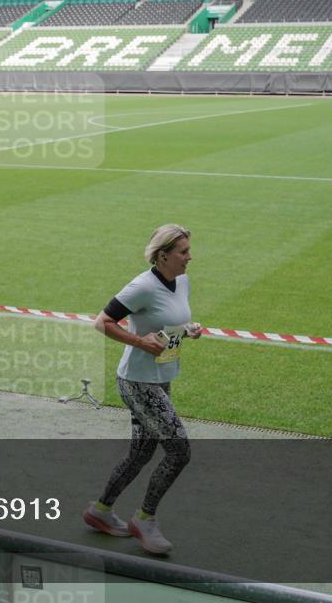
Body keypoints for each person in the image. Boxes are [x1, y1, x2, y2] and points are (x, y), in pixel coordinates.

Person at [83, 224, 202, 555]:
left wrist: (187, 330)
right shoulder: (142, 286)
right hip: (138, 382)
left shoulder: (182, 281)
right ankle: (144, 519)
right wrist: (138, 340)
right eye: (183, 252)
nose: (190, 256)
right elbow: (102, 322)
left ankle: (101, 511)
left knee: (142, 452)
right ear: (163, 255)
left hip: (161, 377)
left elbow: (167, 322)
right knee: (179, 451)